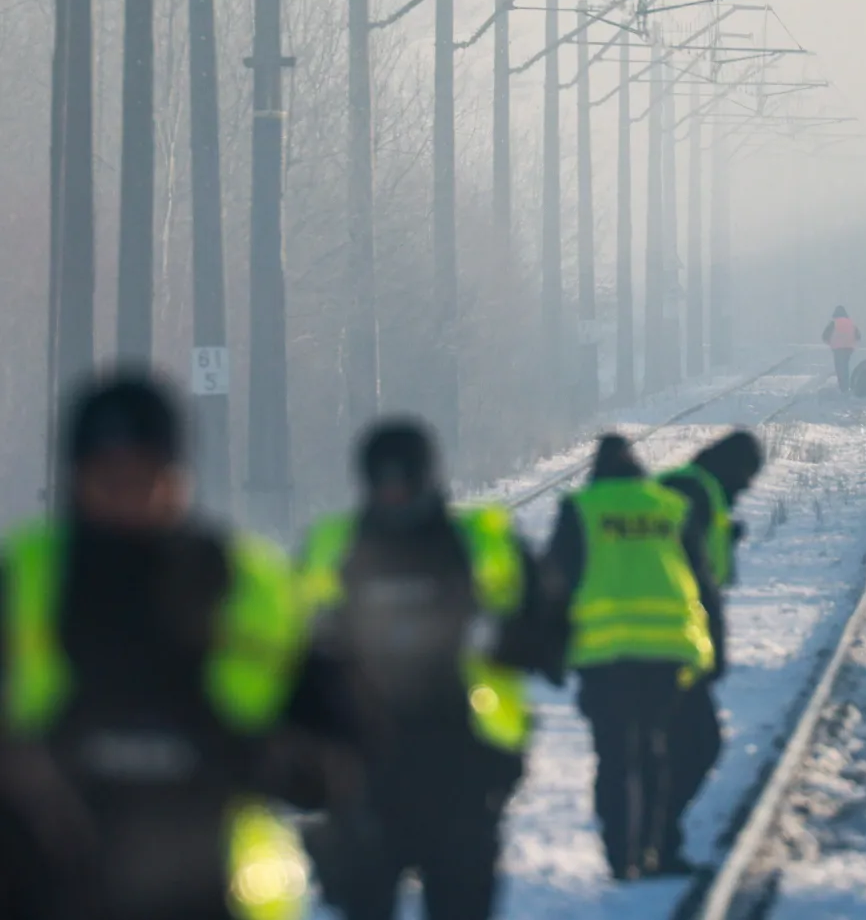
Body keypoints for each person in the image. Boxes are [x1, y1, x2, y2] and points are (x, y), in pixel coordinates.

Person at [0, 369, 360, 920]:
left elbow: (341, 742)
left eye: (146, 475)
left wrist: (264, 760)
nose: (128, 495)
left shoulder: (248, 585)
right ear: (75, 478)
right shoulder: (24, 579)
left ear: (180, 475)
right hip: (45, 886)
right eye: (108, 477)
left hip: (215, 888)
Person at [297, 417, 560, 920]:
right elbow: (285, 660)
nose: (394, 496)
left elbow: (551, 632)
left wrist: (498, 639)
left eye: (405, 482)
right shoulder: (330, 548)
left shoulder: (483, 542)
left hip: (465, 768)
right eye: (384, 483)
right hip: (361, 778)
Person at [542, 434, 720, 880]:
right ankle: (655, 848)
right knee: (657, 750)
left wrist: (550, 652)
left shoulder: (582, 509)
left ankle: (622, 856)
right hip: (667, 649)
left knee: (616, 757)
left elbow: (554, 583)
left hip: (603, 655)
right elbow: (702, 579)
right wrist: (714, 646)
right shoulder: (669, 506)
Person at [657, 430, 764, 870]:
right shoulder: (692, 490)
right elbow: (691, 572)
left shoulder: (696, 487)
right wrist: (715, 647)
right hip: (671, 639)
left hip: (675, 636)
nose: (748, 487)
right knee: (697, 743)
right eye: (748, 475)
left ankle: (658, 841)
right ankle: (658, 840)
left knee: (684, 745)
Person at [822, 305, 862, 392]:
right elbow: (858, 336)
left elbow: (825, 336)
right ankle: (846, 385)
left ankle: (842, 386)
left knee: (839, 367)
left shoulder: (834, 323)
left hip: (837, 348)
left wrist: (829, 342)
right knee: (845, 366)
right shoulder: (851, 323)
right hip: (849, 348)